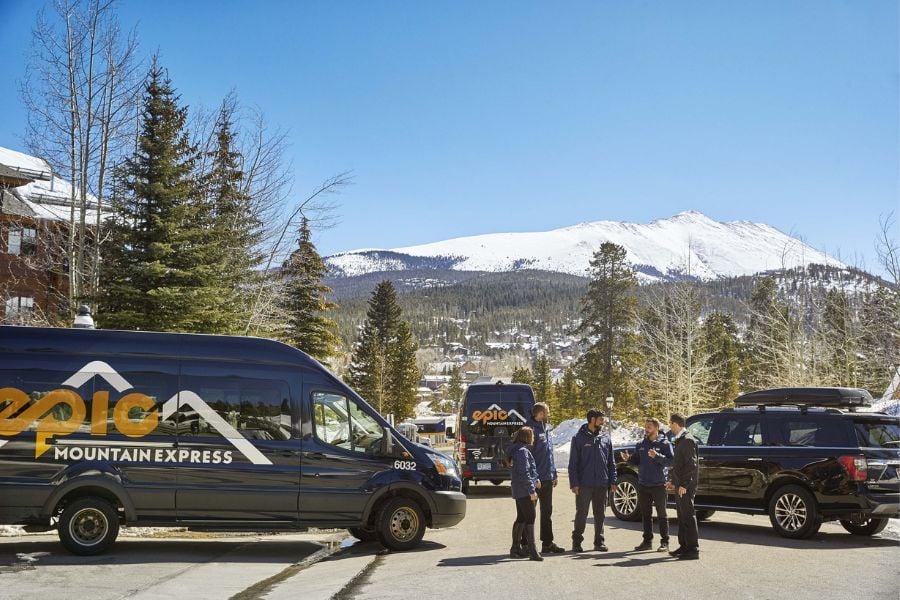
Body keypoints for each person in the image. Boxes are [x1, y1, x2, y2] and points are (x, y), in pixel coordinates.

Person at [568, 408, 617, 553]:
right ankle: (577, 542)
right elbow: (573, 464)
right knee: (582, 514)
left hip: (602, 483)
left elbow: (611, 462)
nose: (603, 422)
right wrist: (574, 483)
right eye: (601, 419)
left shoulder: (605, 438)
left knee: (600, 515)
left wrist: (613, 480)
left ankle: (599, 542)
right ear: (592, 420)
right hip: (584, 485)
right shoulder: (578, 439)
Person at [621, 417, 674, 552]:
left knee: (662, 514)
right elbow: (636, 462)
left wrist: (657, 456)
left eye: (649, 426)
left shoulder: (665, 444)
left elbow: (671, 462)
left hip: (659, 484)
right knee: (646, 514)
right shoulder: (641, 444)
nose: (646, 429)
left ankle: (665, 542)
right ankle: (647, 541)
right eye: (645, 426)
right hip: (643, 483)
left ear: (656, 428)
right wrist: (629, 460)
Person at [524, 402, 565, 554]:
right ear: (540, 413)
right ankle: (525, 544)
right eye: (547, 412)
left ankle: (547, 543)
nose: (549, 414)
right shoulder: (529, 430)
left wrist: (553, 474)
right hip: (535, 480)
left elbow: (549, 454)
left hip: (547, 478)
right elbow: (526, 457)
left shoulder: (546, 428)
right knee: (529, 513)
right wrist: (533, 478)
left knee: (547, 511)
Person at [668, 413, 700, 560]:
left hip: (685, 486)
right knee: (681, 517)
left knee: (688, 516)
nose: (669, 427)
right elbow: (678, 464)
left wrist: (684, 484)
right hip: (680, 484)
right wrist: (673, 481)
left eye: (670, 424)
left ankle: (693, 549)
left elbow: (691, 465)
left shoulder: (687, 440)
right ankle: (684, 546)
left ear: (676, 424)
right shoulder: (680, 439)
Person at [508, 426, 543, 561]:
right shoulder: (522, 452)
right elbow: (524, 473)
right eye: (532, 435)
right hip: (524, 490)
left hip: (519, 489)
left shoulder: (517, 449)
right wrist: (531, 490)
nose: (533, 437)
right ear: (527, 437)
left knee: (522, 518)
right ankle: (533, 550)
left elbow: (527, 471)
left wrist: (536, 479)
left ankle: (515, 549)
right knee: (530, 518)